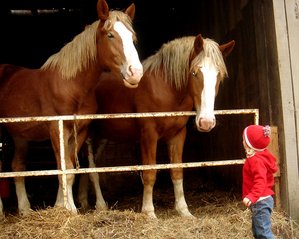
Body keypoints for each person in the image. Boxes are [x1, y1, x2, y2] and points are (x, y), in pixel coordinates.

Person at [242, 124, 278, 239]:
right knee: (258, 233)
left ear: (249, 144)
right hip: (261, 201)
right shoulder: (260, 155)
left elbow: (260, 181)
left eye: (244, 139)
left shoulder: (257, 161)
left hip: (260, 201)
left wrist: (252, 196)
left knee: (264, 234)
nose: (242, 141)